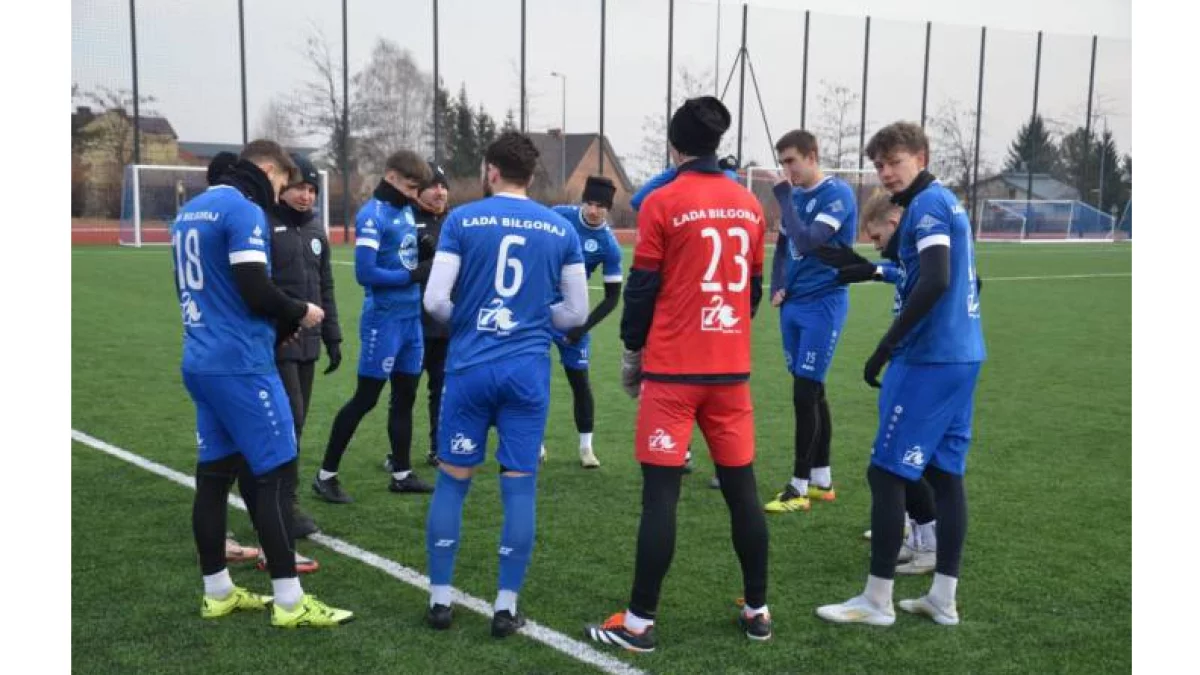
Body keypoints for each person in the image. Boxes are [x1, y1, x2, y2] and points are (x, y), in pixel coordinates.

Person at [584, 96, 770, 652]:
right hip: (730, 372)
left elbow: (641, 288)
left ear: (674, 146)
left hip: (672, 374)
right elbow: (752, 292)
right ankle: (758, 611)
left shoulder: (663, 202)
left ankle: (639, 623)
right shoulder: (750, 205)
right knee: (743, 493)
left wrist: (631, 350)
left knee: (661, 498)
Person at [172, 139, 351, 628]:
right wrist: (299, 311)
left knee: (213, 477)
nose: (280, 192)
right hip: (242, 364)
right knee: (275, 473)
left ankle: (218, 592)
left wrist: (274, 323)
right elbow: (253, 288)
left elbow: (213, 290)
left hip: (201, 357)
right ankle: (290, 602)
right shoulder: (244, 210)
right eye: (282, 181)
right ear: (269, 169)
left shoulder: (189, 212)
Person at [815, 121, 985, 627]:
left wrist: (885, 346)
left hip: (929, 357)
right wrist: (876, 269)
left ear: (922, 157)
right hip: (962, 355)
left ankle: (877, 600)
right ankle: (943, 597)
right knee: (945, 475)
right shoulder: (942, 202)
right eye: (879, 165)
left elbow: (936, 279)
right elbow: (956, 277)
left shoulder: (929, 204)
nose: (886, 173)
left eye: (895, 162)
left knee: (886, 473)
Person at [422, 131, 589, 637]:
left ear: (490, 171)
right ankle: (504, 606)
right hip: (526, 373)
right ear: (531, 176)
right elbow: (575, 312)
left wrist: (476, 322)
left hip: (470, 369)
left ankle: (440, 600)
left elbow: (435, 301)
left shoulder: (461, 220)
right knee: (519, 486)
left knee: (453, 481)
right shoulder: (560, 227)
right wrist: (531, 321)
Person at [312, 151, 435, 503]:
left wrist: (421, 254)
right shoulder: (372, 215)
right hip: (384, 320)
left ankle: (401, 474)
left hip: (411, 320)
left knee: (406, 397)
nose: (414, 194)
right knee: (366, 398)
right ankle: (325, 476)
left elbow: (400, 256)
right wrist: (412, 275)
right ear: (391, 177)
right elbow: (365, 273)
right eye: (410, 186)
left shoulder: (406, 211)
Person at [761, 130, 858, 515]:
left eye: (792, 161)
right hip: (794, 305)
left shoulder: (837, 194)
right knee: (813, 391)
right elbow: (784, 247)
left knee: (804, 392)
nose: (787, 169)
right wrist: (778, 284)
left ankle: (798, 487)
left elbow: (808, 241)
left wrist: (784, 199)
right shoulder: (796, 196)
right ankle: (822, 480)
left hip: (824, 304)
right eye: (782, 162)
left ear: (812, 156)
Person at [628, 155, 741, 482]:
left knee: (692, 382)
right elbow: (639, 201)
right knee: (706, 385)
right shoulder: (720, 189)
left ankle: (713, 459)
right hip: (709, 302)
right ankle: (706, 457)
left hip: (699, 297)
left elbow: (639, 200)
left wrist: (677, 170)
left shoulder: (721, 184)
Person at [267, 153, 342, 540]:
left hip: (309, 343)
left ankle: (277, 497)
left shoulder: (315, 230)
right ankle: (285, 504)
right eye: (299, 188)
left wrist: (333, 336)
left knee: (297, 423)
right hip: (279, 340)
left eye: (312, 190)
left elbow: (325, 285)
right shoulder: (265, 224)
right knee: (289, 420)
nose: (306, 196)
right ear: (283, 188)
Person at [549, 175, 623, 469]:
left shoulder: (609, 245)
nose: (593, 210)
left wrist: (583, 328)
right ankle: (534, 444)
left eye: (600, 206)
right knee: (531, 379)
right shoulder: (558, 216)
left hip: (573, 316)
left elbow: (612, 298)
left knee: (580, 382)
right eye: (589, 203)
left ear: (608, 209)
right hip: (539, 310)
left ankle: (586, 448)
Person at [412, 161, 451, 468]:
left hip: (447, 323)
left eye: (443, 186)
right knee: (405, 391)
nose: (440, 192)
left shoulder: (454, 223)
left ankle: (438, 447)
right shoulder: (406, 220)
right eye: (433, 186)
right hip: (412, 323)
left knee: (442, 389)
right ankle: (399, 455)